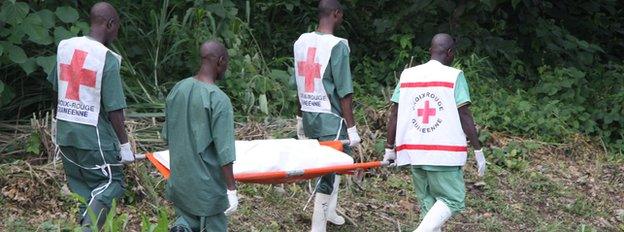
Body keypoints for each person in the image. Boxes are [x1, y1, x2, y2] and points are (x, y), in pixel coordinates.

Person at [383, 33, 487, 232]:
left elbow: (394, 113)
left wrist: (389, 147)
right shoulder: (454, 76)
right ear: (450, 53)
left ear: (430, 51)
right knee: (453, 199)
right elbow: (464, 114)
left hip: (415, 152)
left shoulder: (407, 75)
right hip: (443, 154)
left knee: (429, 206)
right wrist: (478, 149)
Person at [47, 2, 133, 230]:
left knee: (83, 189)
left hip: (66, 136)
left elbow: (56, 91)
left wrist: (61, 123)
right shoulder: (107, 58)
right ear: (110, 24)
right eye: (117, 28)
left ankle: (83, 226)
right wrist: (125, 147)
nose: (116, 33)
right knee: (111, 184)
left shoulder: (65, 47)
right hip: (94, 139)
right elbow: (115, 109)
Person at [292, 0, 361, 231]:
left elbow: (300, 85)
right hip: (331, 119)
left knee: (333, 162)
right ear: (336, 14)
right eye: (341, 15)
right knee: (328, 170)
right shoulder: (337, 46)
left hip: (310, 114)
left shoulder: (301, 41)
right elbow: (345, 92)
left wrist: (300, 118)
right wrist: (352, 129)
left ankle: (330, 211)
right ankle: (318, 226)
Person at [163, 41, 238, 232]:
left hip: (180, 181)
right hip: (207, 189)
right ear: (221, 61)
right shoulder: (219, 100)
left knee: (187, 221)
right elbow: (225, 152)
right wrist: (231, 189)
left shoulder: (178, 89)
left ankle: (182, 228)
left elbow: (168, 135)